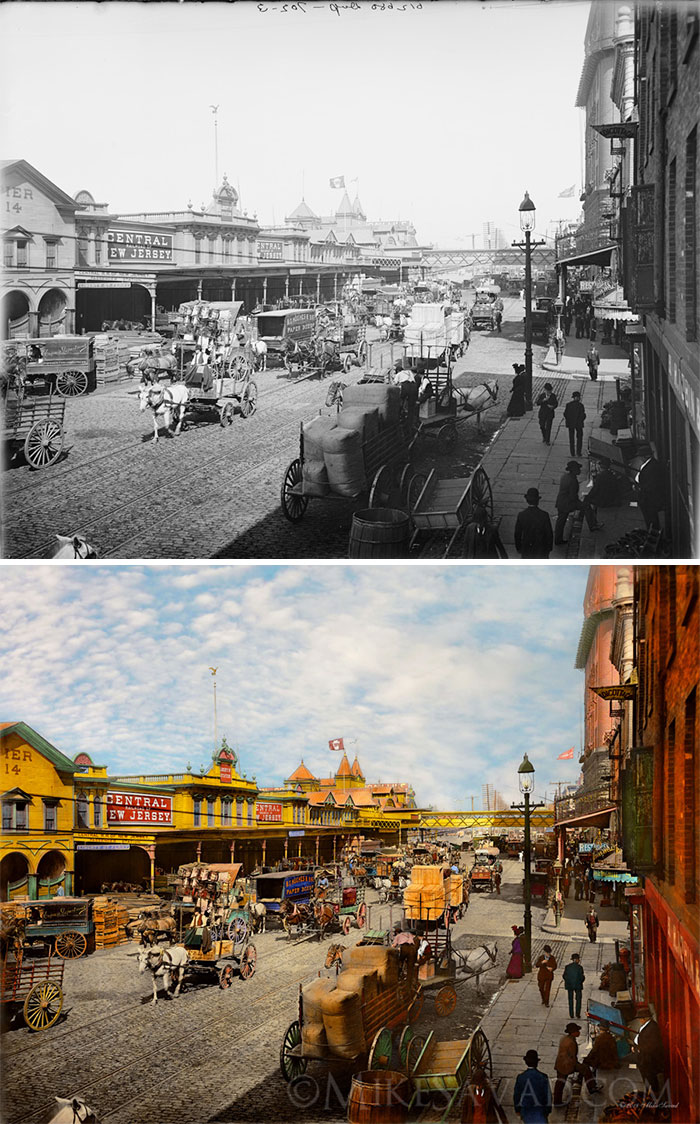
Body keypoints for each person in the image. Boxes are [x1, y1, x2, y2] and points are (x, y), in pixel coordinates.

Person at [554, 461, 604, 545]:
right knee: (586, 506)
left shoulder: (565, 476)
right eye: (578, 469)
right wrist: (579, 502)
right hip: (568, 503)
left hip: (561, 502)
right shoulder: (573, 481)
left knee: (560, 521)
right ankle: (593, 525)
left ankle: (557, 539)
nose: (579, 470)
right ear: (573, 470)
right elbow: (573, 496)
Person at [554, 1023, 597, 1107]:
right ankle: (591, 1087)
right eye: (577, 1031)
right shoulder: (571, 1043)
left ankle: (557, 1100)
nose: (579, 1032)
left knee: (560, 1082)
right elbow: (572, 1057)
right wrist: (577, 1065)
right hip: (567, 1064)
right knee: (585, 1069)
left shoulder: (564, 1038)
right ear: (573, 1032)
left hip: (560, 1063)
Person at [514, 488, 554, 559]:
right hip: (541, 549)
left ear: (527, 500)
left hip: (527, 549)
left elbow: (517, 534)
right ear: (538, 501)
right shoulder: (544, 515)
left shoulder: (522, 515)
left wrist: (519, 548)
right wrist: (549, 548)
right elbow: (549, 533)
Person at [514, 1050, 551, 1123]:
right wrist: (548, 1110)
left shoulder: (521, 1077)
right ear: (537, 1062)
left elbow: (517, 1095)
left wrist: (517, 1109)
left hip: (527, 1111)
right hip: (540, 1111)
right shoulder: (543, 1077)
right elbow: (548, 1095)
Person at [635, 1009, 665, 1096]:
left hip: (648, 1059)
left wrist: (638, 1048)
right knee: (647, 1077)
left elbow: (651, 1046)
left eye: (640, 1018)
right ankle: (650, 1093)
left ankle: (653, 1096)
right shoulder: (648, 1026)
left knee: (650, 1077)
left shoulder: (652, 1029)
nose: (639, 1020)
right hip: (645, 1057)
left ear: (644, 1019)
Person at [634, 446, 665, 530]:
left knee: (651, 517)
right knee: (650, 517)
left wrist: (640, 488)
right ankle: (652, 531)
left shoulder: (652, 467)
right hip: (648, 496)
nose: (639, 458)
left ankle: (653, 533)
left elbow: (651, 485)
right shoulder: (650, 464)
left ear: (646, 456)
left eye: (640, 456)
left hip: (649, 498)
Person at [563, 391, 586, 457]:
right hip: (579, 424)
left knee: (571, 438)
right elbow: (583, 415)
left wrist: (568, 420)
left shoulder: (568, 405)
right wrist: (581, 420)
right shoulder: (581, 405)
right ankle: (578, 452)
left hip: (571, 424)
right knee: (579, 438)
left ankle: (572, 452)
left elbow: (565, 414)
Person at [562, 954, 585, 1018]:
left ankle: (571, 1014)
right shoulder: (580, 967)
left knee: (570, 1000)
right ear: (577, 960)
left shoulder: (567, 967)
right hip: (578, 985)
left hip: (569, 985)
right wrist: (580, 981)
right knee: (578, 1000)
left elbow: (564, 976)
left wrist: (568, 981)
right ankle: (577, 1014)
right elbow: (582, 977)